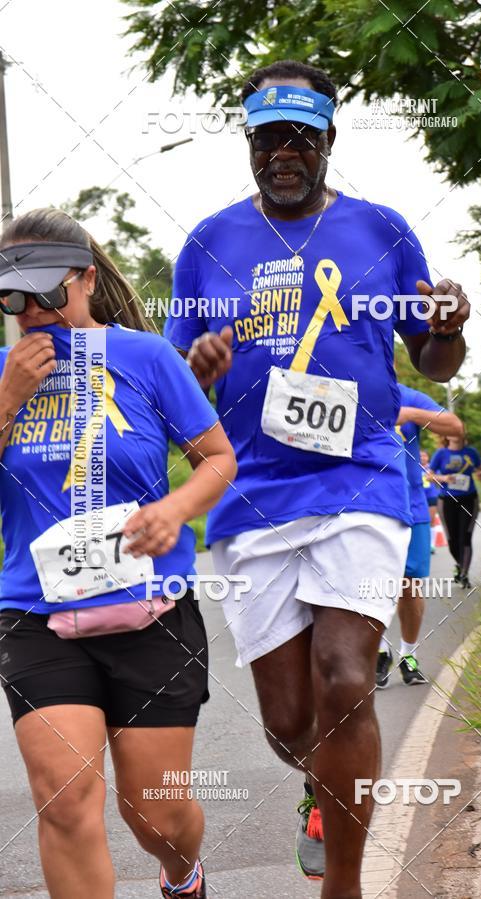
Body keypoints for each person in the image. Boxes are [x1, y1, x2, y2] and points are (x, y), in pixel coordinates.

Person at [164, 59, 470, 898]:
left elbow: (433, 358)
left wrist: (447, 328)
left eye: (302, 137)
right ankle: (318, 780)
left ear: (330, 139)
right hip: (252, 496)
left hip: (360, 479)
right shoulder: (209, 243)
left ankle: (344, 883)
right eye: (269, 139)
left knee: (346, 674)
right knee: (291, 721)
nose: (285, 153)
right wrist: (199, 366)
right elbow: (177, 383)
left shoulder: (382, 229)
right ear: (252, 146)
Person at [0, 209, 236, 899]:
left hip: (151, 611)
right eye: (12, 296)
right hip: (35, 614)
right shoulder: (1, 371)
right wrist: (7, 398)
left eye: (48, 292)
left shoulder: (147, 357)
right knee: (66, 800)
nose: (32, 311)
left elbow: (217, 460)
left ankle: (181, 872)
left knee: (155, 815)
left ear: (87, 279)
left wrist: (173, 509)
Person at [375, 385, 463, 688]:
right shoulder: (346, 388)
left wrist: (406, 414)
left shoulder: (404, 395)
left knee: (410, 587)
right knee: (369, 585)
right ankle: (379, 650)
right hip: (364, 506)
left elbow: (454, 426)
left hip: (411, 508)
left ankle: (408, 655)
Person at [429, 435, 481, 589]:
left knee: (465, 536)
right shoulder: (441, 453)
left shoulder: (471, 452)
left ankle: (464, 574)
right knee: (452, 539)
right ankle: (460, 565)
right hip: (447, 500)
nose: (456, 434)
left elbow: (480, 472)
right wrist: (444, 477)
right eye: (452, 431)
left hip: (469, 499)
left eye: (459, 431)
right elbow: (429, 476)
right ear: (446, 435)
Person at [422, 449, 441, 550]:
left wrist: (432, 478)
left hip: (432, 496)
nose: (422, 458)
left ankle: (432, 545)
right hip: (419, 497)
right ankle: (423, 544)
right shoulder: (415, 467)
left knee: (431, 520)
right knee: (421, 521)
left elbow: (439, 481)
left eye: (424, 456)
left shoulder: (432, 469)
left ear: (428, 457)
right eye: (420, 456)